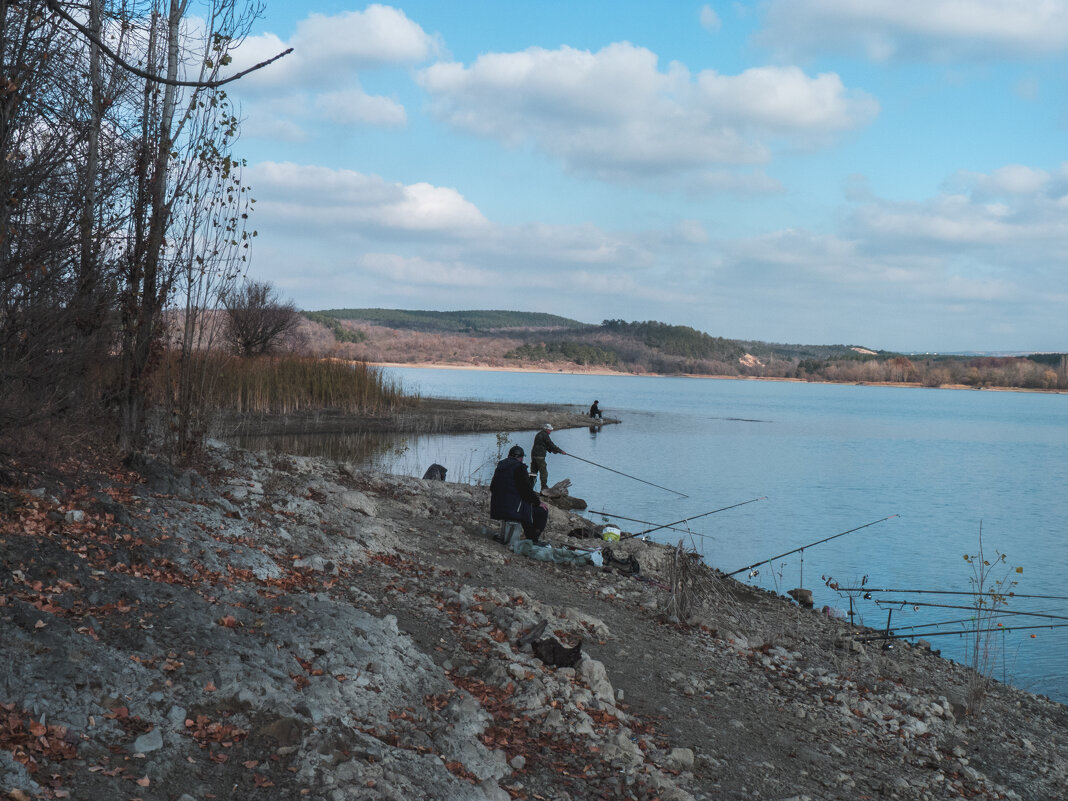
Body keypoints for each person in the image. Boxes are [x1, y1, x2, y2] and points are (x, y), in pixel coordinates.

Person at [490, 445, 548, 542]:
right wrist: (538, 502)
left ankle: (528, 536)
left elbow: (492, 487)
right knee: (540, 511)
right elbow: (526, 491)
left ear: (509, 455)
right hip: (511, 509)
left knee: (524, 506)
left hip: (497, 507)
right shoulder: (519, 468)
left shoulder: (501, 465)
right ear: (520, 458)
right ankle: (532, 538)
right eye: (522, 458)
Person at [530, 423, 566, 493]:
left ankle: (529, 487)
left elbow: (544, 445)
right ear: (546, 429)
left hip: (534, 455)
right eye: (549, 430)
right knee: (543, 472)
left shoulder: (539, 434)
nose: (550, 432)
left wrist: (552, 451)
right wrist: (560, 451)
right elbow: (550, 444)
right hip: (540, 456)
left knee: (533, 472)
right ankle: (544, 487)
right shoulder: (545, 435)